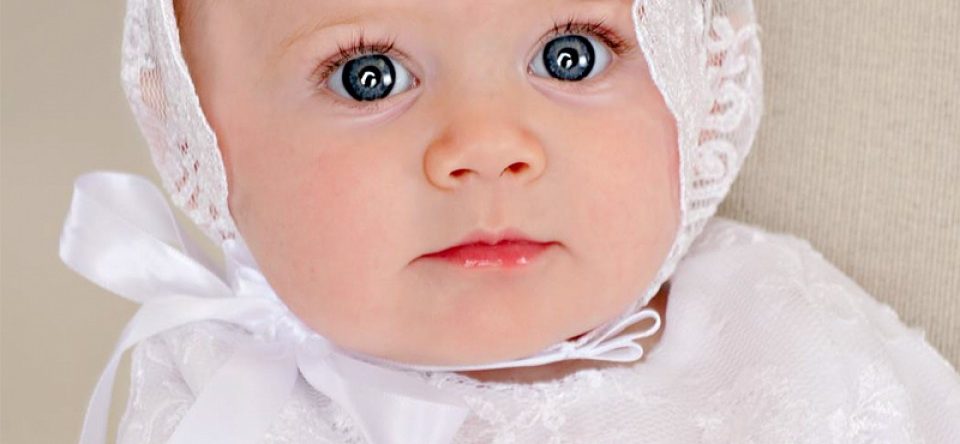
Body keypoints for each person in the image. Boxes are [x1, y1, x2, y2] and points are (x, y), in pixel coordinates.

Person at [60, 0, 960, 442]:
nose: (488, 147)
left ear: (695, 79)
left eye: (571, 57)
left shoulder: (778, 330)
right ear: (202, 129)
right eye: (369, 77)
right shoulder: (226, 400)